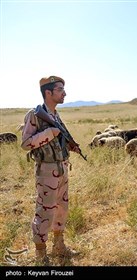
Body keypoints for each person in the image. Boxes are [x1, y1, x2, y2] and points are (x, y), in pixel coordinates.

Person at [21, 76, 79, 265]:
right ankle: (41, 255)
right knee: (45, 211)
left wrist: (69, 145)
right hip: (46, 169)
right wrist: (48, 133)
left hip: (62, 167)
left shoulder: (54, 115)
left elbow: (59, 138)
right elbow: (26, 143)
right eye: (60, 89)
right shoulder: (35, 115)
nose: (65, 93)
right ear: (48, 92)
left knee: (62, 208)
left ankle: (59, 247)